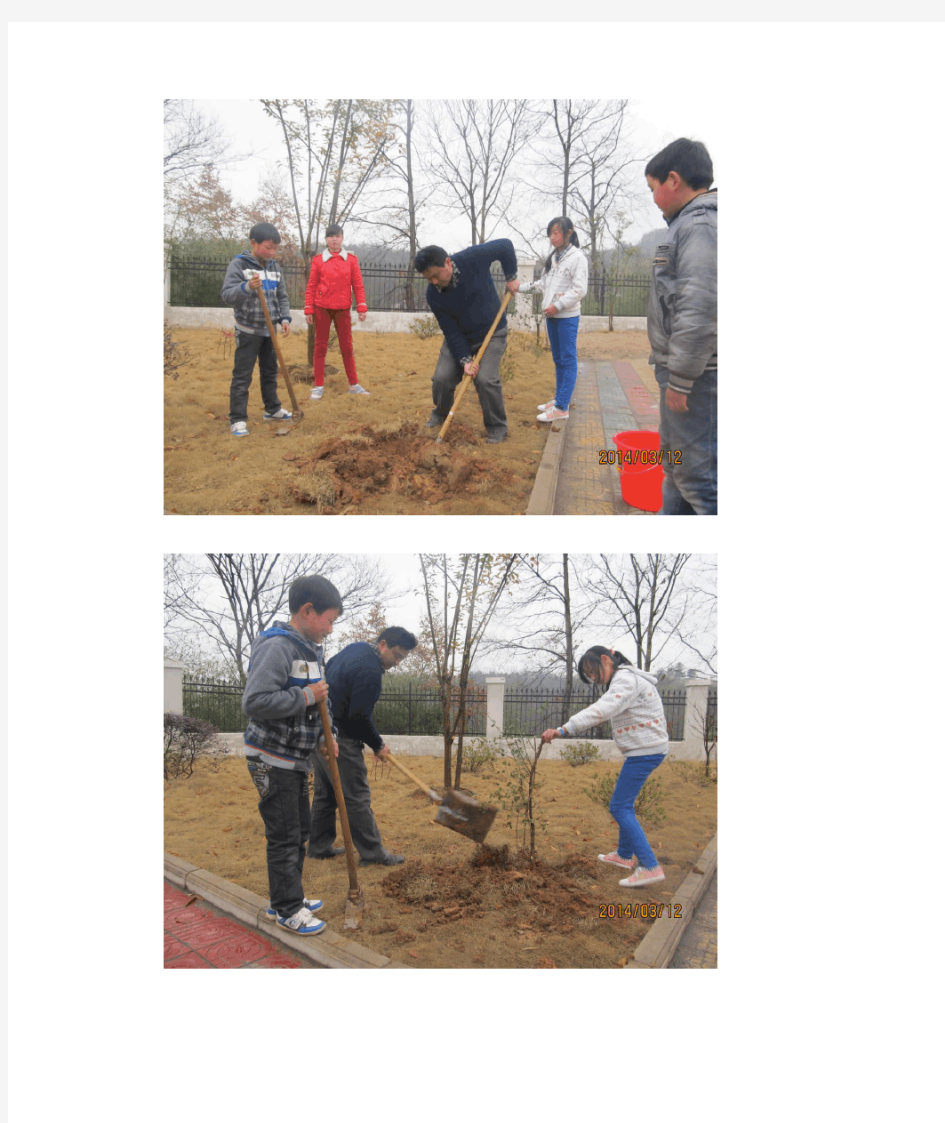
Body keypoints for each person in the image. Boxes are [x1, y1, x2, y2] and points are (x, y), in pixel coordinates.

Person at [241, 574, 344, 935]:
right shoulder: (278, 647)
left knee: (298, 828)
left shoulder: (310, 650)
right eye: (329, 620)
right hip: (272, 758)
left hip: (296, 758)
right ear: (307, 610)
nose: (330, 629)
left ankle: (286, 896)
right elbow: (254, 702)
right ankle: (287, 910)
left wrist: (325, 736)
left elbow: (320, 698)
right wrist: (306, 697)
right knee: (285, 835)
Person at [541, 646, 669, 888]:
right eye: (589, 675)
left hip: (645, 752)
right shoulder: (626, 678)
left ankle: (649, 866)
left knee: (619, 807)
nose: (594, 678)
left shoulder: (625, 680)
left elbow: (601, 710)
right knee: (624, 804)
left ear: (605, 659)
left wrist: (563, 729)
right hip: (645, 750)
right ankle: (623, 855)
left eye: (592, 671)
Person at [644, 138, 717, 515]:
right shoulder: (687, 224)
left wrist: (681, 379)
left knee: (699, 479)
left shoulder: (700, 226)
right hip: (682, 372)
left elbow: (700, 306)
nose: (653, 198)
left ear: (673, 180)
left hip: (698, 379)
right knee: (676, 468)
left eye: (653, 188)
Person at [309, 626, 417, 866]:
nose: (398, 662)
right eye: (396, 655)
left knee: (326, 794)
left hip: (321, 731)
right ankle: (373, 854)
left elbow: (331, 669)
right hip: (341, 739)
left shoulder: (355, 648)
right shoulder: (370, 671)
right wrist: (378, 744)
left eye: (403, 658)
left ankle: (318, 846)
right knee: (356, 796)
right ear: (382, 644)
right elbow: (358, 718)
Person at [413, 240, 520, 444]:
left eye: (436, 276)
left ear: (447, 263)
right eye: (429, 279)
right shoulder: (433, 294)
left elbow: (505, 246)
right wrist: (465, 360)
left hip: (492, 333)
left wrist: (511, 277)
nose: (434, 282)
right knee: (442, 379)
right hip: (460, 337)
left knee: (485, 379)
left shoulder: (472, 258)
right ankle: (440, 415)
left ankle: (497, 428)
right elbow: (451, 331)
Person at [220, 222, 294, 437]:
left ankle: (272, 409)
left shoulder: (274, 268)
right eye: (268, 247)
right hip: (248, 331)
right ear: (254, 243)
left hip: (270, 332)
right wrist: (246, 287)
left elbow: (282, 297)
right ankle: (237, 418)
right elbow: (227, 294)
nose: (272, 253)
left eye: (275, 248)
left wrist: (284, 319)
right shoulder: (239, 265)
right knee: (242, 376)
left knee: (270, 373)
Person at [517, 216, 588, 422]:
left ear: (569, 233)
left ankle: (562, 407)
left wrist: (557, 306)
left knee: (568, 359)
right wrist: (519, 288)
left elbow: (580, 289)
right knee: (558, 360)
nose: (552, 237)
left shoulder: (577, 258)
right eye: (550, 233)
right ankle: (559, 399)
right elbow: (542, 285)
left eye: (557, 233)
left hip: (566, 317)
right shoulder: (554, 258)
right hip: (552, 317)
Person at [303, 224, 370, 399]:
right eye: (331, 236)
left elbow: (358, 285)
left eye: (337, 236)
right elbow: (311, 286)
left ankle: (354, 385)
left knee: (347, 347)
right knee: (320, 347)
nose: (334, 239)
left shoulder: (351, 260)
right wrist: (308, 309)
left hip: (343, 309)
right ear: (326, 239)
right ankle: (318, 385)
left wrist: (361, 306)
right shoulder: (318, 261)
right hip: (322, 308)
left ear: (342, 238)